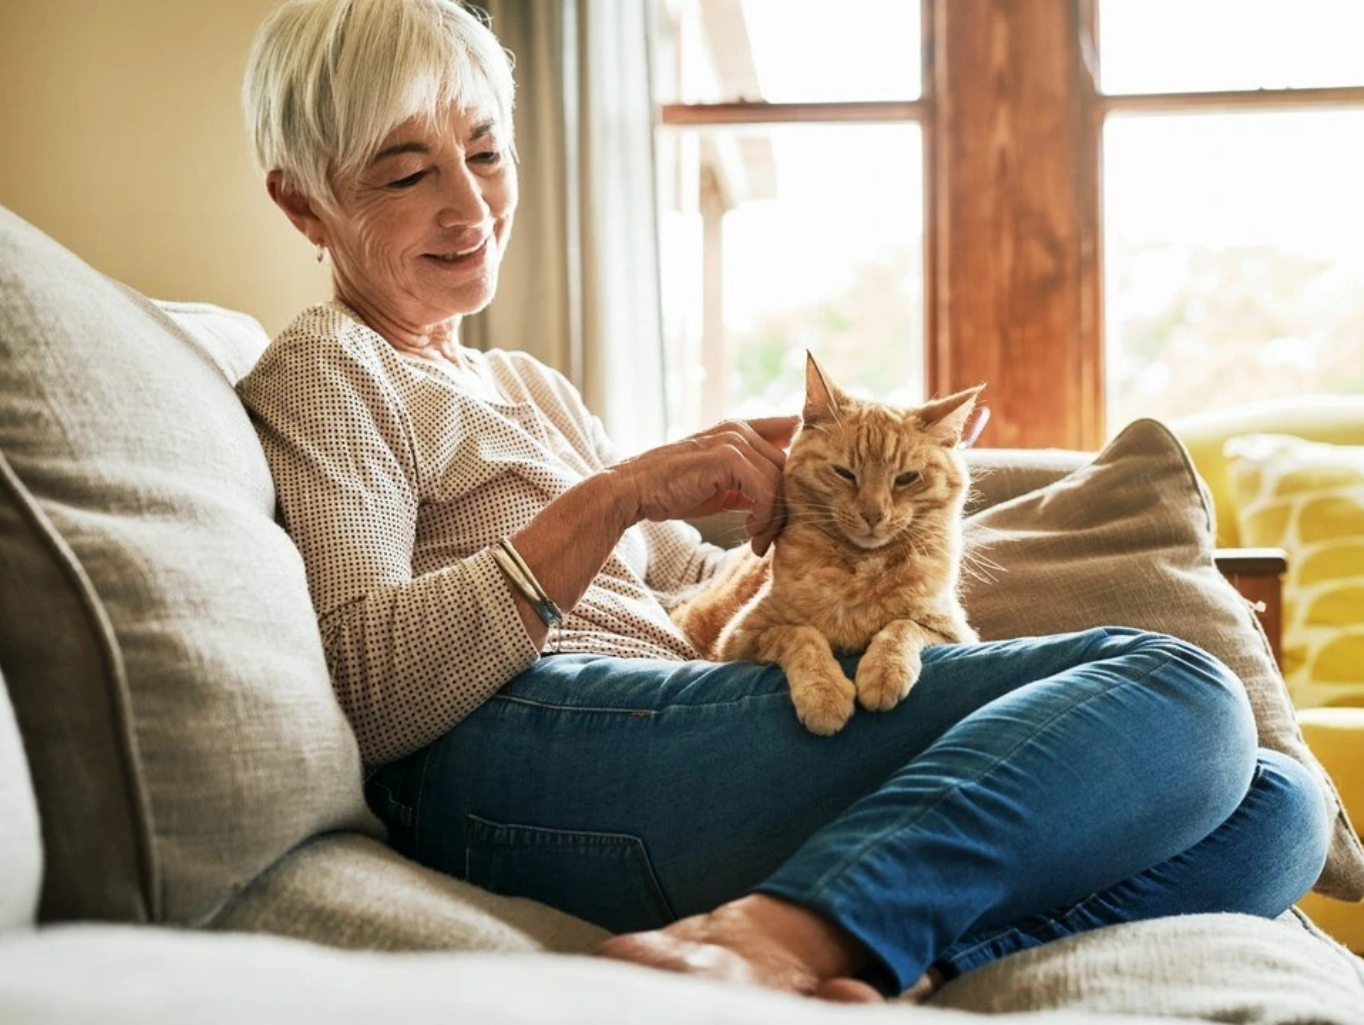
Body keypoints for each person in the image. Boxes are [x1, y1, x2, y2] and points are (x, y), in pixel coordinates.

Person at [236, 0, 1330, 1003]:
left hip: (679, 725)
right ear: (303, 201)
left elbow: (692, 591)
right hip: (523, 755)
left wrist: (815, 511)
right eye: (404, 173)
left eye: (482, 152)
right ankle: (786, 932)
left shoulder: (525, 384)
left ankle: (890, 949)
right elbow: (366, 690)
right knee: (1176, 686)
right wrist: (616, 493)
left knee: (1275, 804)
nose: (468, 204)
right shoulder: (330, 368)